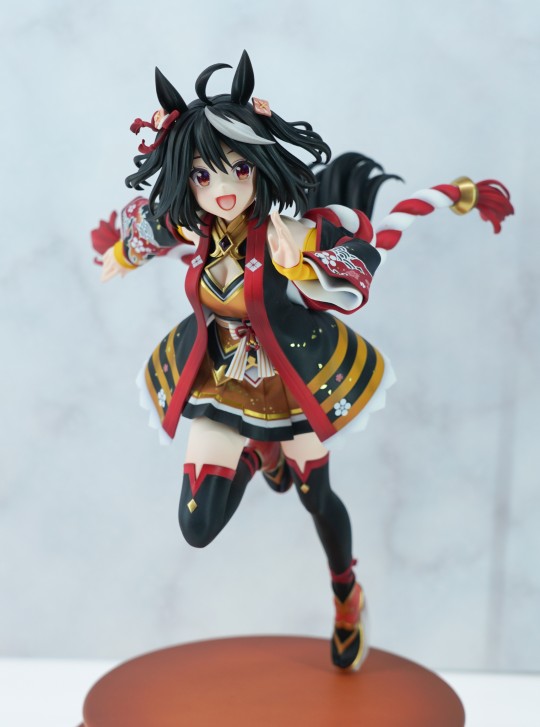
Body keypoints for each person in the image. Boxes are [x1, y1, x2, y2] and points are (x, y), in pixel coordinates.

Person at [92, 50, 513, 671]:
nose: (223, 189)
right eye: (204, 176)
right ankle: (256, 452)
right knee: (197, 525)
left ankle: (346, 593)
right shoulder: (195, 230)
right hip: (219, 379)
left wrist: (305, 266)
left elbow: (358, 267)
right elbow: (149, 228)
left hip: (292, 380)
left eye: (238, 169)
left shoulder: (290, 232)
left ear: (259, 164)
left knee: (316, 496)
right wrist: (122, 251)